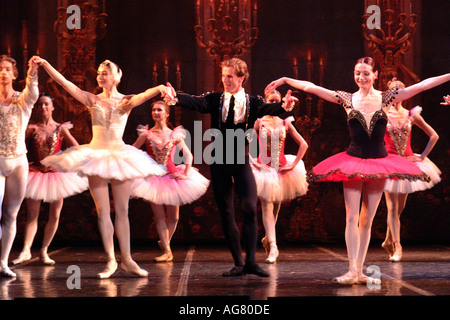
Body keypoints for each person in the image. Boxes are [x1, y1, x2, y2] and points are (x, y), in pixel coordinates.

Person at [266, 57, 450, 285]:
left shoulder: (387, 97)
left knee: (367, 220)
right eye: (357, 73)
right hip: (352, 162)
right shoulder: (346, 99)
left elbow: (422, 85)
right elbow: (310, 87)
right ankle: (352, 269)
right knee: (352, 216)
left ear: (375, 75)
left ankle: (360, 270)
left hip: (380, 162)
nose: (361, 78)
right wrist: (285, 79)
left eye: (365, 73)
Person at [35, 56, 168, 278]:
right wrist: (47, 65)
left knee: (123, 211)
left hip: (120, 155)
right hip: (95, 154)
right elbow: (66, 84)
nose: (101, 75)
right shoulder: (91, 99)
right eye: (99, 72)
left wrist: (160, 88)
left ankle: (127, 259)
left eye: (106, 72)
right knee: (103, 211)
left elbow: (144, 95)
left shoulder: (126, 101)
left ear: (117, 76)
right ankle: (110, 261)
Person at [165, 57, 297, 277]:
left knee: (248, 208)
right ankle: (238, 262)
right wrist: (175, 98)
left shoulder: (252, 102)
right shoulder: (216, 99)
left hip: (241, 160)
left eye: (230, 76)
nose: (225, 80)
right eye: (223, 76)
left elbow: (270, 109)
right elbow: (196, 102)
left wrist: (284, 106)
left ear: (241, 78)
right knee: (227, 212)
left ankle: (251, 263)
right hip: (219, 161)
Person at [12, 94, 89, 266]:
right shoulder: (32, 128)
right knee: (33, 214)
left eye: (46, 104)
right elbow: (17, 146)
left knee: (55, 214)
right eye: (40, 105)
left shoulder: (60, 129)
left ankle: (44, 250)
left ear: (53, 107)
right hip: (36, 173)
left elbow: (76, 148)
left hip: (56, 176)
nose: (43, 108)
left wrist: (63, 163)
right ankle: (25, 250)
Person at [131, 100, 209, 262]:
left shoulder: (174, 134)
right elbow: (132, 151)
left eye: (159, 110)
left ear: (166, 114)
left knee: (174, 217)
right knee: (159, 217)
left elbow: (189, 156)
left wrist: (185, 174)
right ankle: (167, 251)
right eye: (154, 110)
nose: (156, 112)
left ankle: (165, 242)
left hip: (172, 176)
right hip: (154, 179)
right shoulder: (146, 134)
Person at [382, 78, 441, 262]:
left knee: (399, 209)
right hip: (389, 165)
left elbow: (434, 136)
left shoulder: (411, 115)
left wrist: (422, 156)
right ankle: (397, 246)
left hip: (408, 163)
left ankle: (387, 240)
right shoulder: (382, 115)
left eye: (400, 91)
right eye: (394, 91)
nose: (397, 95)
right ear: (388, 93)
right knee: (392, 208)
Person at [250, 91, 309, 263]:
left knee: (275, 208)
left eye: (277, 101)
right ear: (266, 102)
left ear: (281, 102)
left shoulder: (285, 122)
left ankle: (269, 238)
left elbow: (304, 144)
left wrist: (294, 164)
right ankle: (274, 247)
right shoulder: (259, 122)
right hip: (265, 170)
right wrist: (253, 161)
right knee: (267, 207)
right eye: (271, 101)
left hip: (282, 169)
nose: (274, 103)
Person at [0, 55, 39, 277]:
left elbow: (32, 91)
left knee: (11, 215)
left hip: (18, 162)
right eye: (0, 69)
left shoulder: (22, 100)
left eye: (7, 69)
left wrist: (32, 72)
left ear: (14, 74)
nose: (3, 72)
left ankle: (3, 262)